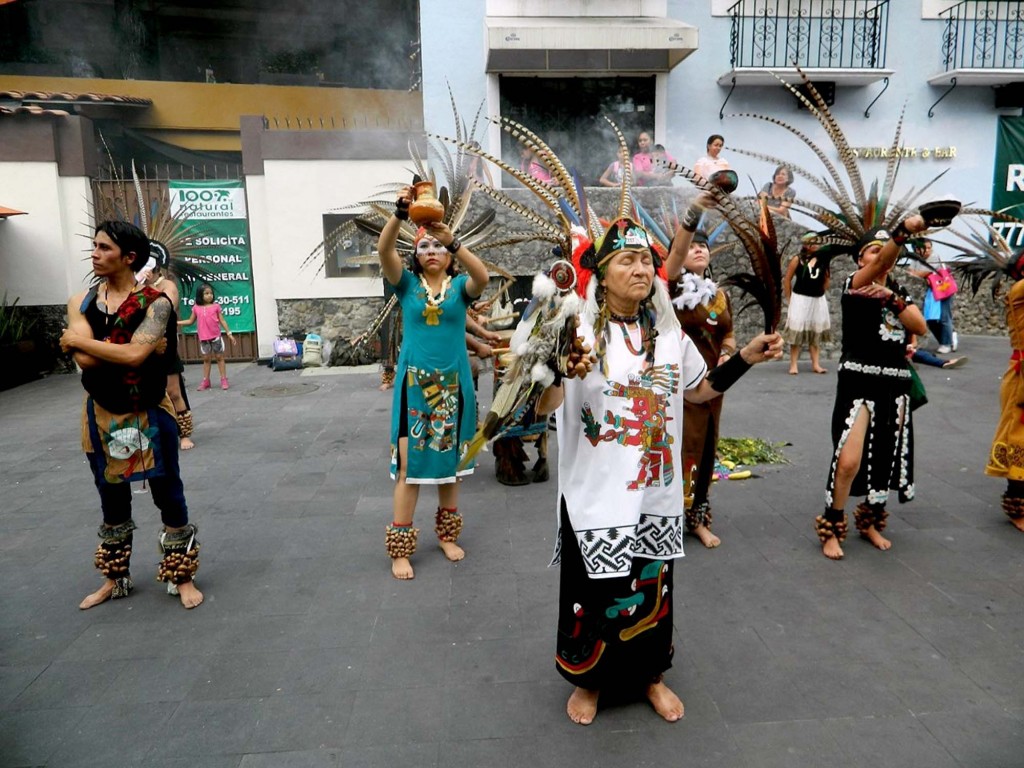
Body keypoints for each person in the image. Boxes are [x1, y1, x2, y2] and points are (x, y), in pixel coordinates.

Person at [536, 216, 783, 725]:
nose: (640, 269)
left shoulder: (668, 334)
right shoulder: (576, 331)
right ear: (601, 273)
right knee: (595, 593)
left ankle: (651, 675)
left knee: (652, 586)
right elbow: (544, 407)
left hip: (654, 490)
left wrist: (747, 360)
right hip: (596, 494)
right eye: (626, 260)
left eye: (645, 260)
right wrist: (556, 368)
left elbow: (698, 391)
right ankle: (590, 682)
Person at [59, 221, 203, 610]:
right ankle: (114, 578)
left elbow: (132, 355)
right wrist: (102, 348)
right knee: (111, 497)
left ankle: (181, 575)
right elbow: (90, 360)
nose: (95, 254)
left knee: (167, 492)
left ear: (130, 257)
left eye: (104, 248)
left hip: (151, 411)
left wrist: (79, 341)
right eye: (94, 246)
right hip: (102, 414)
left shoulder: (157, 303)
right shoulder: (81, 302)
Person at [378, 185, 491, 580]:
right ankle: (401, 546)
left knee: (451, 464)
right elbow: (383, 251)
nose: (431, 252)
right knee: (410, 466)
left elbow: (483, 275)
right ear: (415, 255)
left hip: (453, 388)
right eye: (424, 247)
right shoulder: (406, 285)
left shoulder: (460, 289)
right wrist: (399, 213)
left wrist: (455, 242)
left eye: (437, 248)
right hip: (414, 387)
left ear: (447, 256)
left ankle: (446, 535)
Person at [817, 218, 931, 561]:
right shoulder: (854, 285)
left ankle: (870, 520)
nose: (881, 257)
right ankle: (832, 524)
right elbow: (883, 263)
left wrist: (893, 298)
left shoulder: (898, 290)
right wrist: (903, 233)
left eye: (886, 249)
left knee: (884, 458)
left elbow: (920, 326)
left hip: (894, 384)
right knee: (849, 460)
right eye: (872, 250)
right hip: (859, 383)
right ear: (859, 259)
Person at [665, 227, 736, 548]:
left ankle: (696, 513)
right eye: (691, 246)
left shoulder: (721, 296)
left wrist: (727, 354)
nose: (698, 250)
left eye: (703, 247)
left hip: (713, 385)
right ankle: (674, 513)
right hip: (677, 384)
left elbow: (729, 334)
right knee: (685, 448)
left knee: (707, 446)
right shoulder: (667, 290)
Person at [782, 243, 832, 375]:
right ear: (806, 245)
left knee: (815, 331)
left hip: (817, 299)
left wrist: (820, 291)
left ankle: (816, 364)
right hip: (800, 299)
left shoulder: (823, 260)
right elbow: (787, 280)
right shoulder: (797, 259)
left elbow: (827, 279)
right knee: (796, 331)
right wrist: (789, 298)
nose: (817, 245)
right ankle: (793, 365)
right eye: (814, 242)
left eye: (818, 242)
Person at [178, 282, 236, 391]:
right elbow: (190, 321)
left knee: (219, 357)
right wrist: (177, 323)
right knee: (206, 358)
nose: (209, 295)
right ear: (200, 295)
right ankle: (206, 380)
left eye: (211, 293)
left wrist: (229, 334)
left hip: (216, 337)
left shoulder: (216, 307)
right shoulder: (196, 308)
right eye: (206, 293)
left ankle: (223, 379)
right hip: (204, 338)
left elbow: (222, 321)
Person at [908, 238, 958, 353]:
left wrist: (916, 273)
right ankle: (949, 337)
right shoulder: (916, 258)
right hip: (931, 292)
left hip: (943, 290)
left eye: (930, 247)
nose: (928, 250)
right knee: (930, 319)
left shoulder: (934, 257)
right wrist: (915, 273)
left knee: (944, 317)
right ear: (916, 249)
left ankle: (946, 343)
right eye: (925, 248)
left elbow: (923, 273)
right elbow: (909, 271)